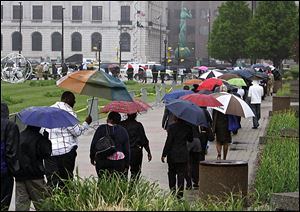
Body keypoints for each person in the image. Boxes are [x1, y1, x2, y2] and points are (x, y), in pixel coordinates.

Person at [44, 91, 92, 189]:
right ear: (67, 99)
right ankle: (66, 202)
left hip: (50, 152)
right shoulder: (68, 112)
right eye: (73, 101)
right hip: (65, 152)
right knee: (66, 181)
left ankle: (52, 202)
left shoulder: (49, 109)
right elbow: (77, 132)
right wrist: (86, 123)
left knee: (52, 182)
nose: (74, 104)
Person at [14, 126, 52, 211]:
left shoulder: (19, 136)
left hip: (20, 175)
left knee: (21, 204)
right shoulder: (39, 138)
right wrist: (46, 139)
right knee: (42, 203)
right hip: (35, 175)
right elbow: (46, 153)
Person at [90, 112, 130, 178]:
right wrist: (127, 164)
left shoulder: (101, 129)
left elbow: (94, 145)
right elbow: (126, 150)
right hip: (119, 162)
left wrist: (92, 157)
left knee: (103, 181)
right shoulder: (123, 131)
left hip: (102, 161)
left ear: (110, 120)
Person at [161, 116, 193, 199]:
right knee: (181, 174)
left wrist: (164, 154)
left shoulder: (171, 127)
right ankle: (180, 195)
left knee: (171, 173)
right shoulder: (188, 127)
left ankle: (173, 191)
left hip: (172, 154)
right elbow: (190, 139)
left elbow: (169, 141)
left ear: (176, 118)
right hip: (183, 154)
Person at [120, 113, 152, 180]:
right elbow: (144, 140)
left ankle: (123, 187)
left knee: (123, 171)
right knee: (135, 172)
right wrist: (148, 151)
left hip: (124, 151)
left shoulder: (121, 124)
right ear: (135, 115)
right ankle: (132, 187)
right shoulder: (138, 125)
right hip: (135, 151)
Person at [1, 102, 20, 211]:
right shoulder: (10, 126)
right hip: (4, 172)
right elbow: (11, 152)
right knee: (4, 203)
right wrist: (15, 171)